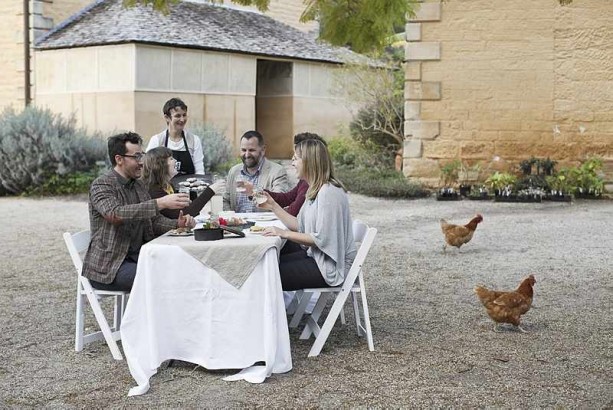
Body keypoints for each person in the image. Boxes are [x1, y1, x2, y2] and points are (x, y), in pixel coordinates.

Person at [82, 132, 196, 292]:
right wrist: (159, 203)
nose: (142, 162)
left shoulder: (138, 185)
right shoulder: (102, 185)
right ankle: (148, 318)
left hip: (139, 257)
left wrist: (178, 224)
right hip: (110, 266)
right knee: (159, 277)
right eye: (136, 157)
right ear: (119, 159)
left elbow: (154, 221)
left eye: (141, 155)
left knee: (182, 268)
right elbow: (115, 214)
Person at [257, 139, 357, 290]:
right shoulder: (315, 190)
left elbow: (321, 239)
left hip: (329, 268)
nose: (292, 163)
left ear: (309, 161)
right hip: (317, 257)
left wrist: (283, 233)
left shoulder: (328, 192)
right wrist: (273, 206)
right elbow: (299, 225)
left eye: (295, 158)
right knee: (267, 264)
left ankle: (271, 314)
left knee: (268, 274)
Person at [243, 132, 327, 217]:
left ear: (309, 157)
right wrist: (257, 191)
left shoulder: (314, 185)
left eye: (296, 156)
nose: (292, 161)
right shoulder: (305, 181)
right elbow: (287, 198)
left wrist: (274, 208)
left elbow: (293, 212)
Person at [142, 147, 225, 218]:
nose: (175, 160)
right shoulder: (154, 191)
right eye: (171, 159)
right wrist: (211, 190)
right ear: (161, 165)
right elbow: (183, 214)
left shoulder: (168, 185)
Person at [223, 130, 289, 213]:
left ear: (263, 150)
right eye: (243, 150)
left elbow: (278, 202)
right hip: (237, 224)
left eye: (251, 150)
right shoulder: (234, 171)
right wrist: (232, 218)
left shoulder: (277, 171)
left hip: (264, 225)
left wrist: (253, 191)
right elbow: (225, 200)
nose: (247, 155)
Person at [147, 98, 205, 175]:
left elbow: (199, 171)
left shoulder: (194, 140)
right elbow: (148, 169)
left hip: (189, 186)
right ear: (167, 118)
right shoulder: (157, 140)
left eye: (184, 115)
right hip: (164, 186)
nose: (182, 119)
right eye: (177, 116)